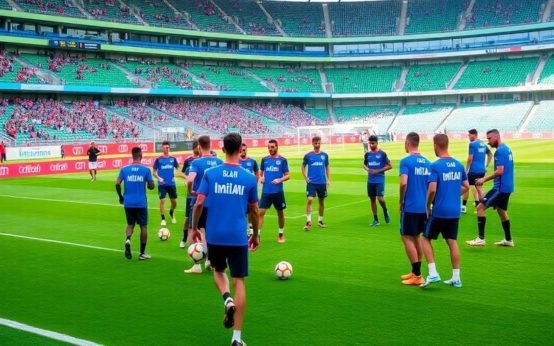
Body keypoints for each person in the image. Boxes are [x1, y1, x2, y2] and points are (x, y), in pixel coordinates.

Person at [190, 132, 259, 346]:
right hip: (238, 236)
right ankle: (237, 338)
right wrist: (255, 234)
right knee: (240, 281)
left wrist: (194, 228)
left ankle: (226, 299)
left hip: (216, 235)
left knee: (219, 272)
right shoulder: (249, 177)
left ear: (222, 149)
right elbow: (254, 211)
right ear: (241, 149)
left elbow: (199, 203)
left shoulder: (211, 173)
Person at [420, 134, 469, 288]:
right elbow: (466, 186)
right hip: (454, 210)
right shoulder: (458, 165)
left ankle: (433, 273)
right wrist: (452, 195)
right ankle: (456, 278)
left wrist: (427, 206)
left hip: (440, 210)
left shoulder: (435, 166)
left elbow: (432, 189)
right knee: (452, 241)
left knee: (424, 239)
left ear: (436, 146)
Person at [466, 129, 515, 247]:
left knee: (480, 207)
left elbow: (499, 171)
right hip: (508, 186)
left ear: (496, 137)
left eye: (489, 139)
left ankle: (481, 238)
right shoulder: (507, 149)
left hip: (500, 188)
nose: (488, 142)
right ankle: (508, 240)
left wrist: (484, 179)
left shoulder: (500, 151)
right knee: (501, 211)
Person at [185, 135, 224, 274]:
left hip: (200, 201)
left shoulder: (196, 163)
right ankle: (209, 261)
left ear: (199, 147)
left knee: (193, 230)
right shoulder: (219, 161)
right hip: (214, 203)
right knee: (207, 232)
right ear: (211, 145)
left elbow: (190, 180)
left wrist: (191, 191)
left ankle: (196, 265)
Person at [399, 132, 431, 285]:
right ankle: (415, 272)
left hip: (410, 206)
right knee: (417, 237)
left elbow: (403, 183)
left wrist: (401, 201)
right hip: (423, 207)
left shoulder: (406, 161)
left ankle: (417, 275)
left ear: (407, 142)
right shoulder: (427, 162)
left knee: (406, 236)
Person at [115, 147, 155, 261]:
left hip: (128, 202)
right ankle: (142, 253)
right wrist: (149, 184)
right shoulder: (145, 169)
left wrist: (120, 197)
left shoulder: (124, 169)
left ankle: (128, 239)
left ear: (132, 156)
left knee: (130, 224)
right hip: (141, 203)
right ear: (141, 155)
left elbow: (117, 183)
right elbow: (151, 186)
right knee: (143, 226)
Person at [258, 139, 290, 243]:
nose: (270, 149)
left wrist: (280, 179)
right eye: (269, 147)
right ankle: (257, 235)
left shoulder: (282, 160)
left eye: (272, 147)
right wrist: (261, 177)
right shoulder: (264, 159)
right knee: (260, 212)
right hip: (266, 191)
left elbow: (288, 175)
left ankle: (280, 234)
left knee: (280, 213)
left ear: (277, 147)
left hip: (278, 191)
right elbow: (260, 173)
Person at [301, 136, 330, 231]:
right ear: (312, 143)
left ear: (320, 143)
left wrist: (328, 179)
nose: (317, 145)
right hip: (312, 183)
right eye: (315, 143)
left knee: (321, 201)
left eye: (319, 143)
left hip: (322, 182)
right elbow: (303, 167)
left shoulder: (324, 155)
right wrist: (306, 178)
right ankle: (308, 221)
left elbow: (327, 167)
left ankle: (320, 220)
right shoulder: (308, 155)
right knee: (309, 199)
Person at [363, 135, 392, 226]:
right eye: (370, 143)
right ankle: (376, 220)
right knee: (372, 199)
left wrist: (378, 171)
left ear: (377, 143)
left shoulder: (382, 154)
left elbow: (390, 166)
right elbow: (364, 164)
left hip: (379, 179)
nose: (371, 145)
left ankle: (385, 210)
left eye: (373, 143)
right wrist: (367, 169)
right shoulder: (367, 154)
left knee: (380, 198)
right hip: (370, 180)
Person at [462, 129, 492, 214]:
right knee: (478, 188)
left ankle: (464, 206)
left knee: (466, 186)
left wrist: (466, 169)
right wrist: (486, 165)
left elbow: (470, 158)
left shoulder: (472, 144)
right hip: (481, 170)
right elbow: (490, 154)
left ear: (474, 135)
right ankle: (480, 206)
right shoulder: (483, 144)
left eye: (469, 135)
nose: (468, 137)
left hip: (473, 170)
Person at [153, 140, 180, 226]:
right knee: (162, 200)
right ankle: (163, 218)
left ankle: (171, 213)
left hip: (171, 184)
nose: (167, 149)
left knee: (174, 202)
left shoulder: (173, 159)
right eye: (165, 147)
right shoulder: (158, 159)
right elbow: (153, 172)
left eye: (168, 147)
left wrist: (175, 175)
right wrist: (159, 178)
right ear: (162, 148)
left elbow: (178, 169)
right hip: (162, 184)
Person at [179, 140, 199, 248]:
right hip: (190, 194)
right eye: (198, 147)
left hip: (200, 194)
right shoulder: (188, 160)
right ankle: (184, 238)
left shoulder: (202, 160)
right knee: (188, 218)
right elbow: (182, 172)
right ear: (195, 148)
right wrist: (186, 179)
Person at [239, 143, 259, 233]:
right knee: (242, 211)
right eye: (242, 150)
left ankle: (251, 230)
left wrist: (255, 183)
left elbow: (257, 172)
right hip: (239, 190)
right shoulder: (237, 161)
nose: (243, 151)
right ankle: (243, 229)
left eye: (245, 149)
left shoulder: (252, 161)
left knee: (251, 210)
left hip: (249, 190)